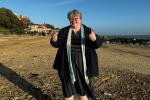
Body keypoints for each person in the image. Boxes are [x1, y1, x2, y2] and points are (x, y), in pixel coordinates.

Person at [50, 9, 103, 100]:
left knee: (83, 92)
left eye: (76, 18)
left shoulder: (88, 31)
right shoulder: (64, 31)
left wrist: (94, 39)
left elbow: (98, 44)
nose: (74, 20)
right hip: (66, 66)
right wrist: (54, 40)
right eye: (71, 19)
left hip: (84, 66)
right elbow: (57, 44)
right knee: (68, 92)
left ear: (81, 19)